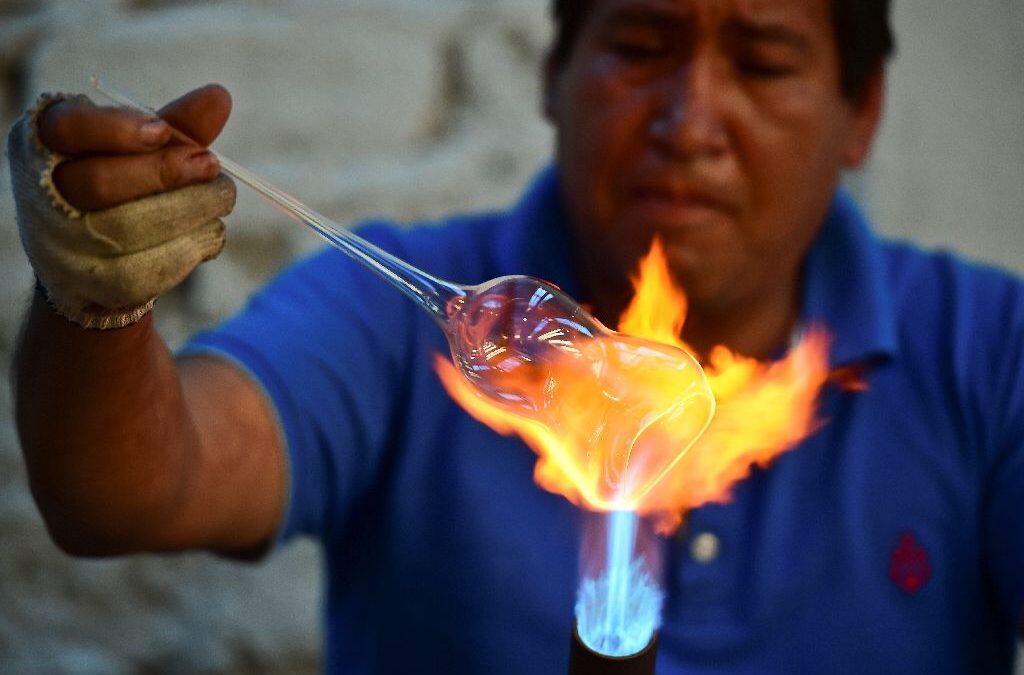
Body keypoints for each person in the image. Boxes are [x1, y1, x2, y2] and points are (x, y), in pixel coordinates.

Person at [7, 0, 1024, 672]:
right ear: (552, 75)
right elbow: (127, 492)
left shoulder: (989, 350)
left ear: (861, 112)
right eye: (638, 48)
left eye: (760, 64)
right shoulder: (389, 316)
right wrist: (99, 300)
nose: (688, 119)